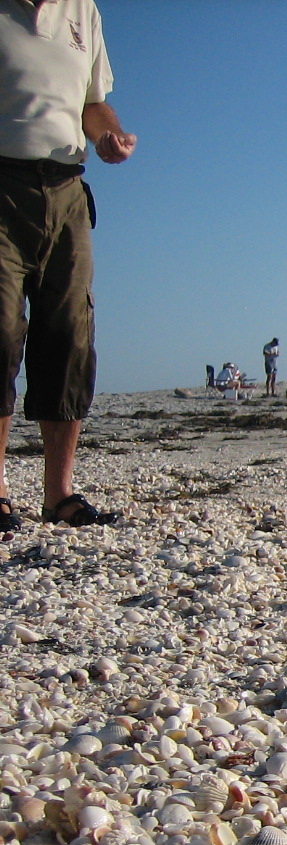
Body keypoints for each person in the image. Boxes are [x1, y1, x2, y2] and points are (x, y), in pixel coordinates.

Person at [0, 0, 135, 530]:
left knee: (71, 336)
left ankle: (59, 494)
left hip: (67, 189)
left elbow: (92, 102)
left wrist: (108, 137)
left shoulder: (85, 10)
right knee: (0, 332)